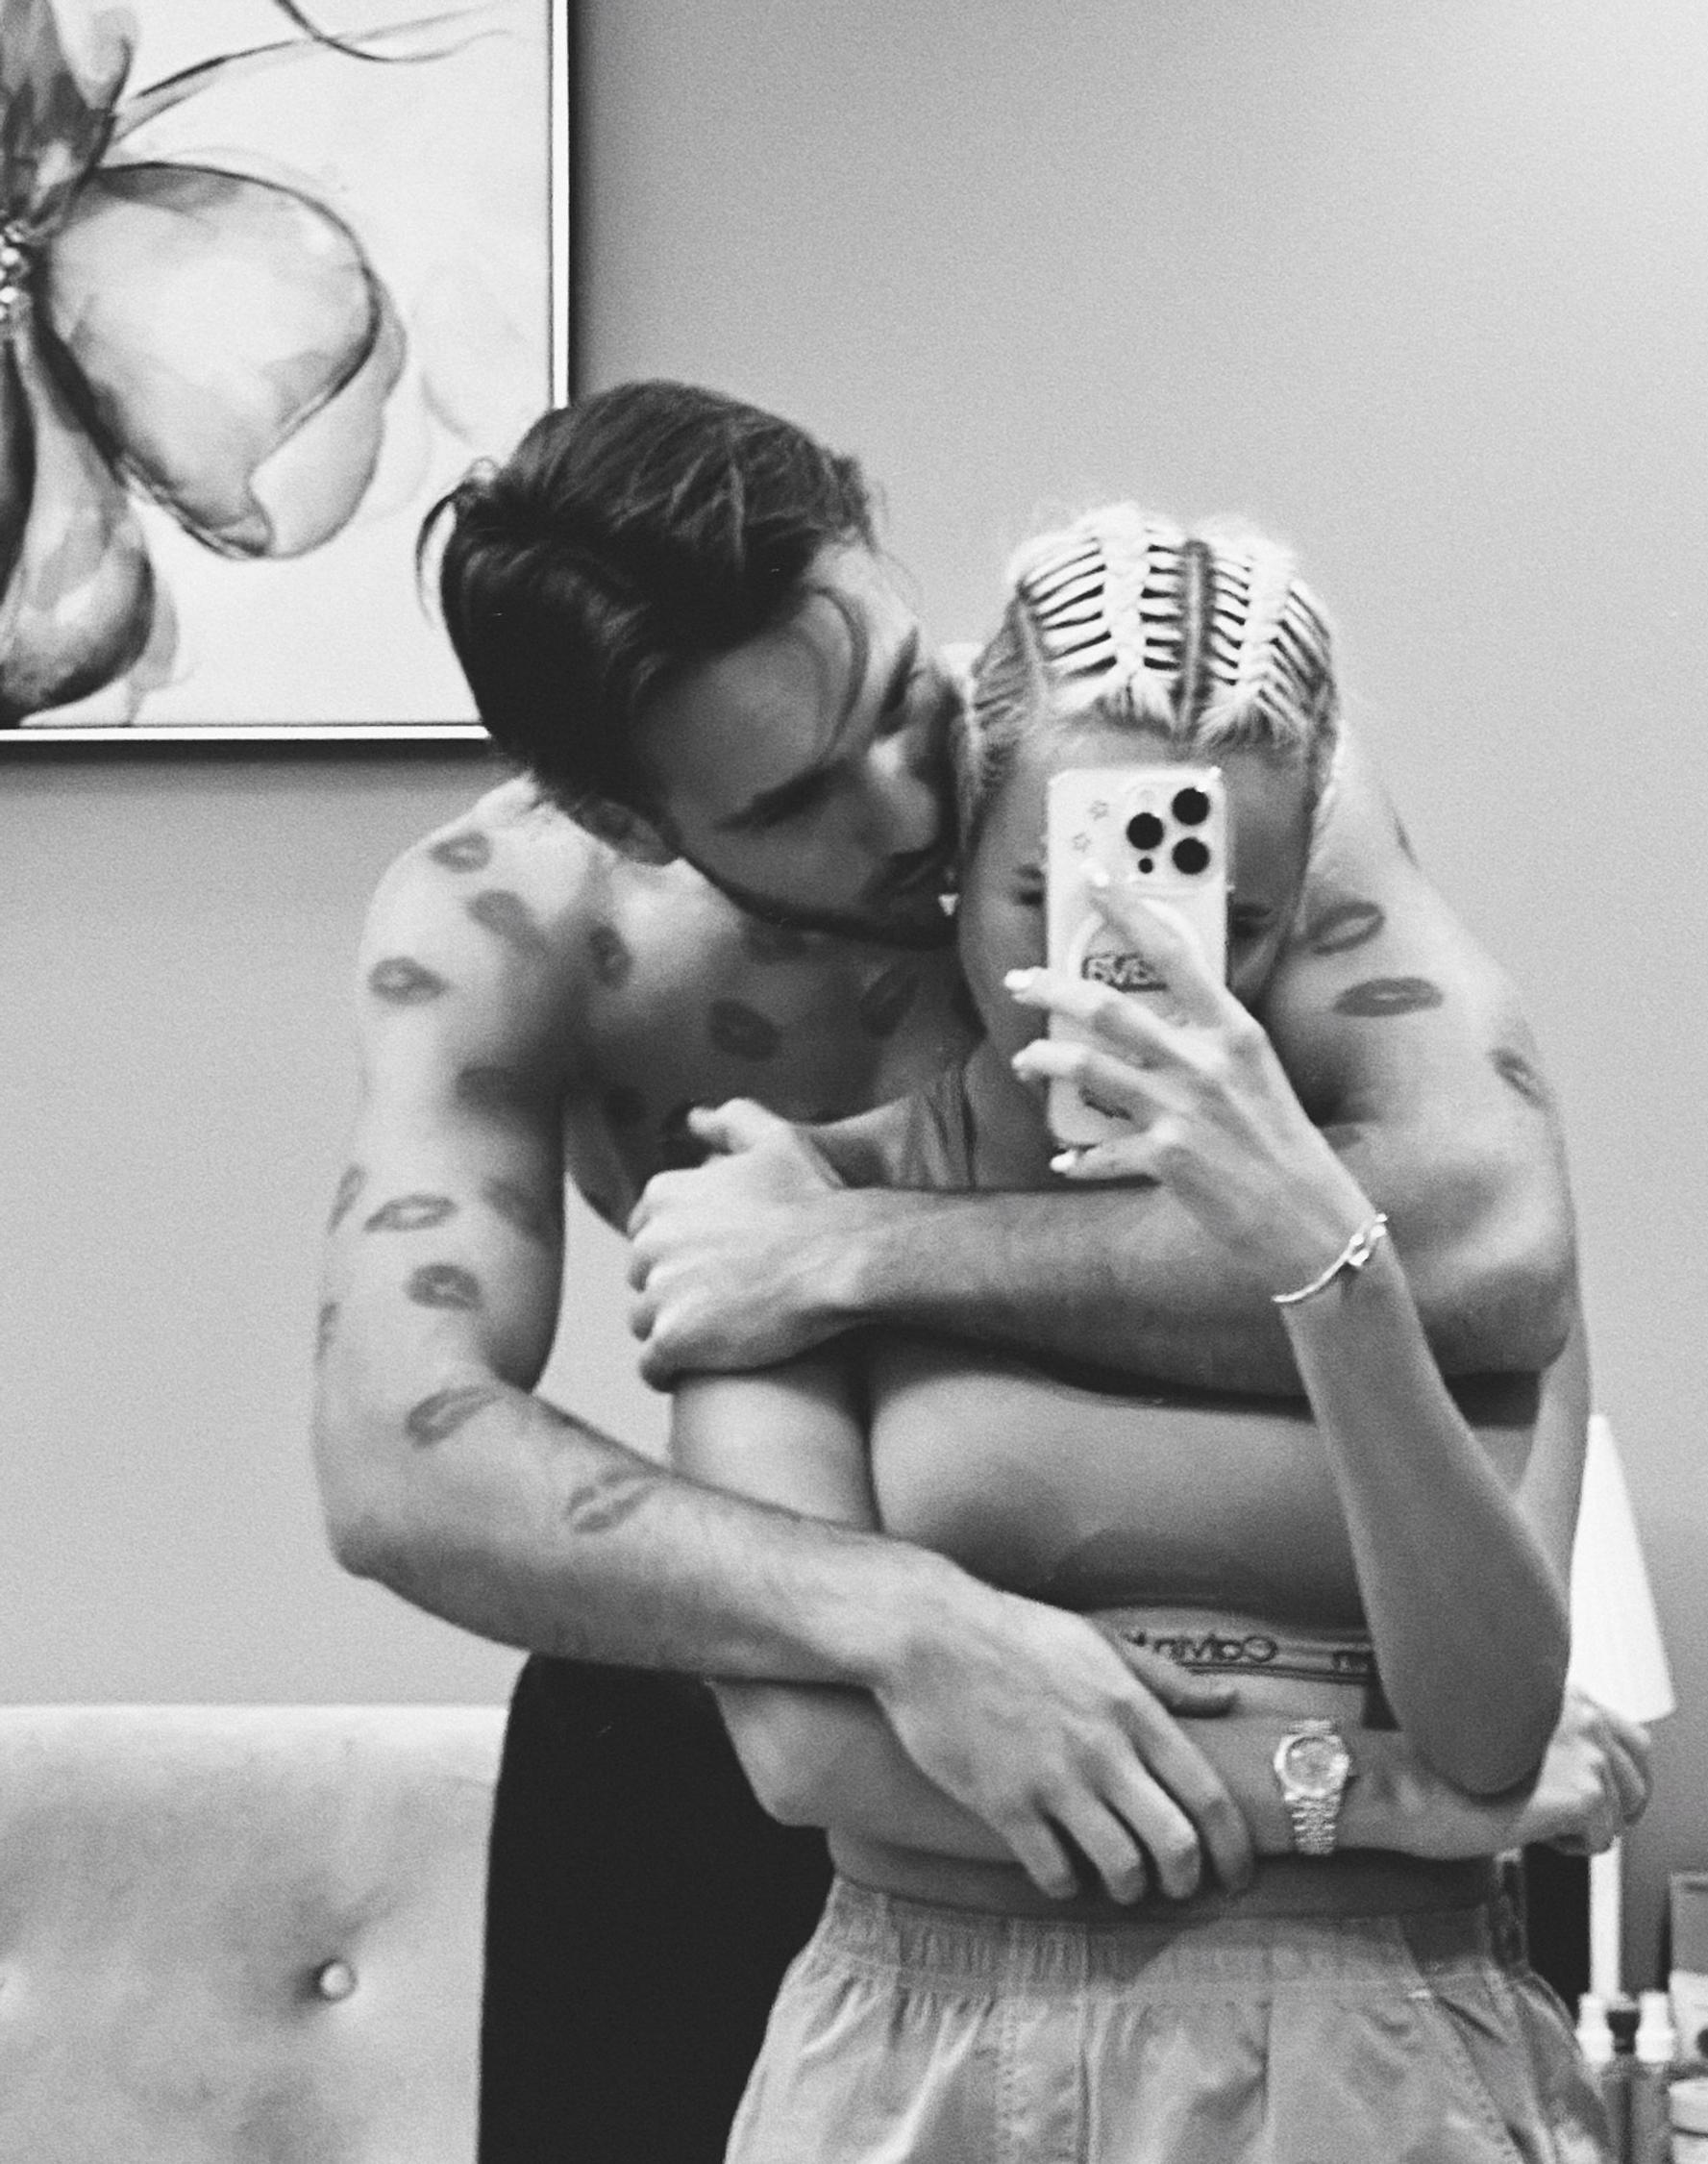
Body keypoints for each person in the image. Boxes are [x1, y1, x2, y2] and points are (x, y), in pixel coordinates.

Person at [309, 382, 1598, 2163]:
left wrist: (860, 1249)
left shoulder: (1128, 750)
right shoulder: (522, 926)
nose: (915, 801)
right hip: (776, 1706)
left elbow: (1496, 1252)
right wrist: (915, 1625)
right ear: (625, 816)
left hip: (1283, 1816)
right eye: (799, 795)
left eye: (893, 694)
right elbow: (398, 1458)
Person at [673, 505, 1636, 2163]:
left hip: (1386, 2064)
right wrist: (1362, 1793)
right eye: (1043, 895)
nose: (1124, 977)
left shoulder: (1448, 1239)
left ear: (1304, 903)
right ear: (953, 866)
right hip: (932, 2062)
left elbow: (1487, 1722)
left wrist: (1323, 1263)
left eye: (1227, 921)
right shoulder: (795, 1211)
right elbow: (816, 1756)